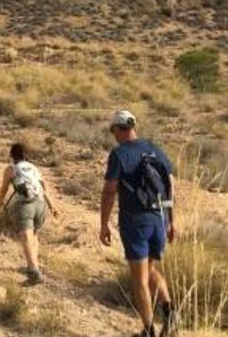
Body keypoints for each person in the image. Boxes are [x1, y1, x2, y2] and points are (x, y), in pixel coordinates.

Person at [100, 110, 176, 337]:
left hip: (136, 222)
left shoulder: (119, 154)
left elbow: (110, 190)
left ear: (117, 129)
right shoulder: (155, 149)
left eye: (113, 130)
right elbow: (171, 185)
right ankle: (170, 313)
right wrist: (172, 221)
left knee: (139, 279)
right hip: (159, 219)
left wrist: (103, 224)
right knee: (151, 269)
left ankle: (148, 330)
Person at [0, 143, 58, 285]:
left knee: (26, 237)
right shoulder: (35, 169)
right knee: (34, 236)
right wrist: (52, 206)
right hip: (40, 205)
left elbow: (4, 189)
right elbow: (44, 189)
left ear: (12, 155)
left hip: (24, 205)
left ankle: (33, 271)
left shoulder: (11, 169)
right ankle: (35, 265)